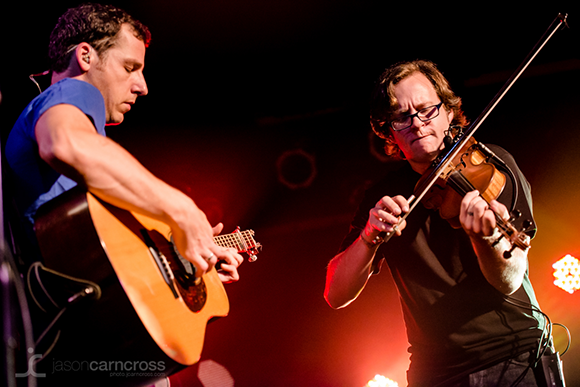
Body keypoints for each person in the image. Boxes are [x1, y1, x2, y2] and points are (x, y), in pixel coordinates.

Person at [5, 3, 242, 385]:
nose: (143, 85)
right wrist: (183, 210)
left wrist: (191, 260)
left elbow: (110, 259)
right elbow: (65, 143)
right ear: (85, 56)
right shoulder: (73, 92)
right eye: (130, 67)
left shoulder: (95, 172)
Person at [324, 60, 562, 386]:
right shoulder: (381, 197)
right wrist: (369, 238)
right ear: (388, 130)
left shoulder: (491, 165)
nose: (417, 124)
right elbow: (335, 294)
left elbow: (509, 278)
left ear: (449, 111)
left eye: (427, 110)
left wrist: (486, 238)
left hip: (513, 357)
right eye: (401, 117)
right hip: (433, 373)